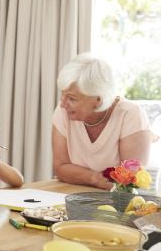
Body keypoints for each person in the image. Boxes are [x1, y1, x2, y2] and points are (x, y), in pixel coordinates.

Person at [52, 53, 151, 190]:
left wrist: (83, 176)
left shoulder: (130, 114)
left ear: (98, 99)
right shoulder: (63, 112)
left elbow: (131, 179)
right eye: (63, 95)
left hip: (117, 201)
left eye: (72, 98)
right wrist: (94, 178)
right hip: (72, 195)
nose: (63, 104)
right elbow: (61, 167)